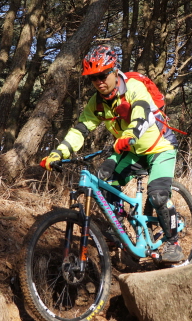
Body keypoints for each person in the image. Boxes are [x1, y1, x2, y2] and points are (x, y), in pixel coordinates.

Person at [39, 45, 184, 262]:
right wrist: (58, 153)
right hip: (131, 151)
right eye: (93, 78)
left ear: (115, 71)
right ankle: (118, 229)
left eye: (103, 75)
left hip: (160, 146)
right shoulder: (97, 102)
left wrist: (130, 134)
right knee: (104, 178)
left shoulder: (133, 87)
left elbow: (142, 114)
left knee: (158, 195)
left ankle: (174, 244)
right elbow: (80, 130)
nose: (99, 81)